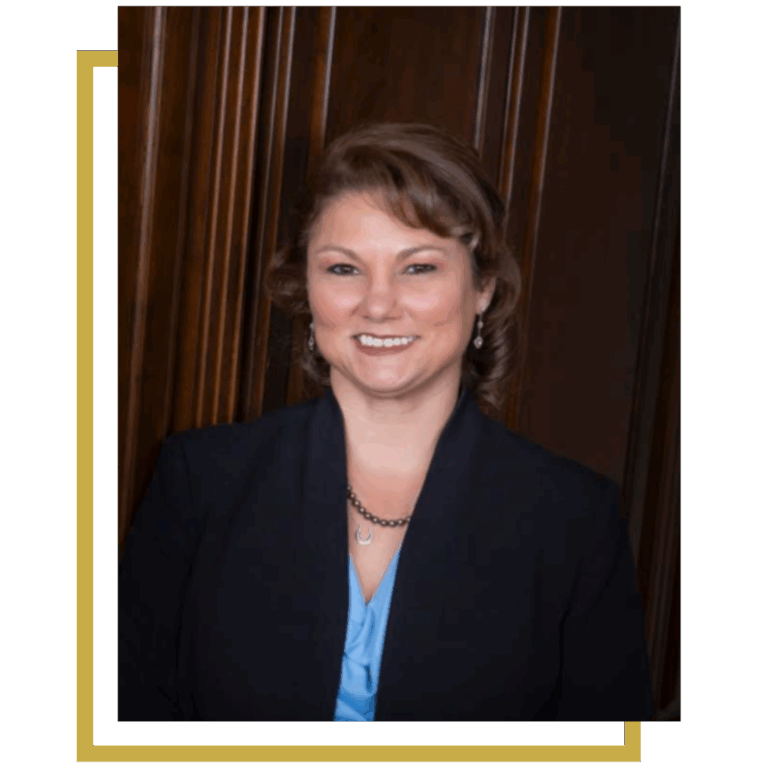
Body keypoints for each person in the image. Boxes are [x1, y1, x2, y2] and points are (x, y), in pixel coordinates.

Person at [118, 122, 656, 722]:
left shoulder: (574, 521)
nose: (378, 303)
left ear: (483, 288)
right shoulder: (200, 482)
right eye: (344, 269)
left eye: (418, 267)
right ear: (307, 289)